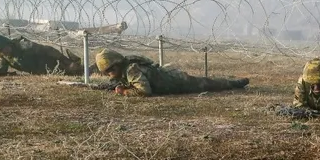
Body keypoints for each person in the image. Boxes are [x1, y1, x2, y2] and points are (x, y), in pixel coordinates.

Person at [94, 49, 248, 96]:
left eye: (111, 70)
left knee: (206, 83)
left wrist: (124, 92)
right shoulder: (126, 70)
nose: (110, 74)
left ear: (117, 65)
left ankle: (234, 83)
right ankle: (232, 82)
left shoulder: (131, 69)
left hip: (175, 82)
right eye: (107, 72)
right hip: (169, 79)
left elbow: (144, 91)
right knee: (205, 82)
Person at [0, 34, 86, 76]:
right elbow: (1, 69)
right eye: (0, 51)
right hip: (41, 72)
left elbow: (47, 50)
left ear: (8, 43)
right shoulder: (2, 55)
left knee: (79, 71)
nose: (3, 52)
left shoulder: (24, 46)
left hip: (52, 65)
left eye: (4, 49)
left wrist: (66, 61)